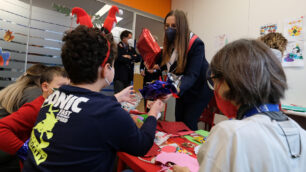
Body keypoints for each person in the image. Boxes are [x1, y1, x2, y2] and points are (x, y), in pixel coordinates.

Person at [22, 25, 164, 172]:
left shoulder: (53, 97)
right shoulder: (108, 113)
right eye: (113, 65)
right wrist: (154, 113)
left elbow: (83, 110)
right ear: (105, 69)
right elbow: (142, 146)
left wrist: (115, 98)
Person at [174, 39, 306, 172]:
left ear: (227, 82)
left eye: (213, 81)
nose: (215, 90)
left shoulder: (230, 134)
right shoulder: (301, 134)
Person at [0, 66, 69, 170]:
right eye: (62, 87)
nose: (67, 91)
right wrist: (25, 151)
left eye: (70, 87)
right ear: (45, 86)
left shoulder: (57, 106)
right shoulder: (36, 106)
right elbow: (1, 129)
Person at [161, 10, 213, 130]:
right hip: (184, 85)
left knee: (189, 121)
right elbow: (171, 65)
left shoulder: (196, 44)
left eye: (174, 26)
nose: (169, 29)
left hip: (201, 87)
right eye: (167, 26)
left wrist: (174, 89)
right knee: (178, 118)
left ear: (182, 26)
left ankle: (191, 147)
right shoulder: (171, 44)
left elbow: (192, 75)